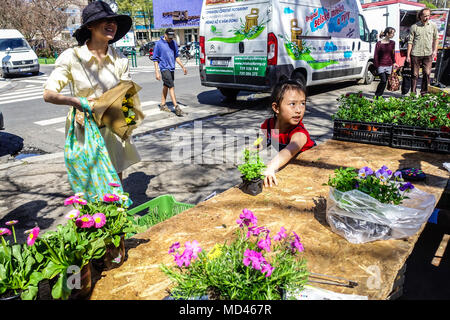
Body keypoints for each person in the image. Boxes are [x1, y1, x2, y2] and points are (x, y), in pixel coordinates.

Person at [43, 0, 140, 183]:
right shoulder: (72, 57)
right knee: (89, 181)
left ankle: (117, 210)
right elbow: (48, 94)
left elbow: (126, 95)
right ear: (90, 26)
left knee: (115, 178)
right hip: (84, 128)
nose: (112, 24)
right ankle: (91, 212)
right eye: (105, 20)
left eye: (114, 20)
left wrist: (127, 124)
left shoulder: (120, 59)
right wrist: (76, 102)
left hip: (112, 126)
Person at [260, 79, 316, 188]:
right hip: (290, 169)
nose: (299, 110)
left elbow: (289, 151)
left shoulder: (299, 133)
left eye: (303, 103)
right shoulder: (269, 125)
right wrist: (250, 151)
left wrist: (271, 167)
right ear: (276, 108)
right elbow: (264, 141)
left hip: (309, 171)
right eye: (292, 104)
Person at [153, 28, 187, 117]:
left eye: (172, 37)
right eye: (169, 37)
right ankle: (176, 107)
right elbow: (155, 59)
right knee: (171, 86)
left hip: (172, 68)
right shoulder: (159, 44)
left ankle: (163, 105)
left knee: (166, 85)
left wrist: (182, 66)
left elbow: (176, 56)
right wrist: (157, 72)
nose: (171, 39)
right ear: (165, 35)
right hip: (164, 68)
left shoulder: (173, 43)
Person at [406, 7, 439, 95]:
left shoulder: (433, 26)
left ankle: (424, 92)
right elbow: (410, 42)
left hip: (428, 53)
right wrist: (408, 56)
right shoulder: (414, 27)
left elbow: (436, 39)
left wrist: (435, 50)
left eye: (428, 16)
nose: (426, 18)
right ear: (420, 16)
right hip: (416, 53)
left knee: (427, 73)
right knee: (414, 74)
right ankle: (413, 93)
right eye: (424, 16)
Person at [373, 27, 399, 98]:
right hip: (381, 65)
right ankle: (377, 95)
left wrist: (394, 62)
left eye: (394, 33)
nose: (393, 35)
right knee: (383, 80)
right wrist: (376, 66)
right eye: (392, 33)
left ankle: (379, 95)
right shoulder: (379, 44)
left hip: (389, 65)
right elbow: (376, 55)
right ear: (387, 34)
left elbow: (392, 54)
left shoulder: (392, 43)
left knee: (385, 81)